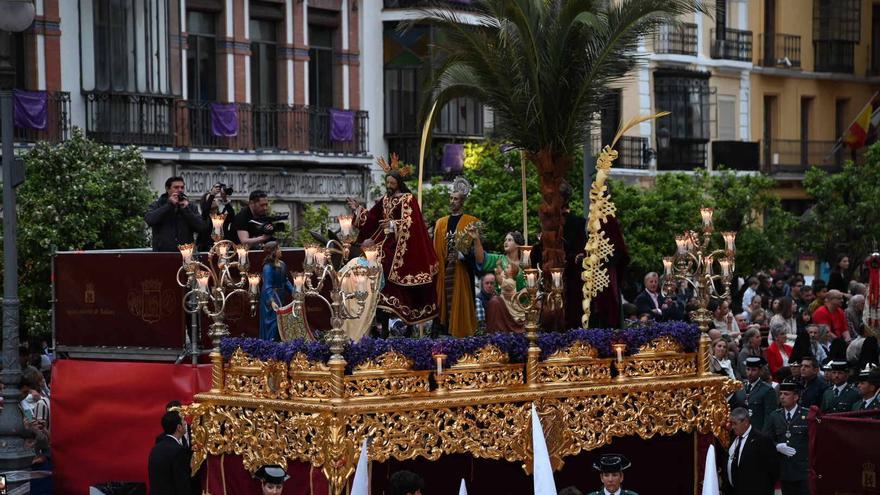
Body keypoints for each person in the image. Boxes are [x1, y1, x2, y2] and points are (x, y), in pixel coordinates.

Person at [347, 155, 438, 326]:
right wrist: (358, 209)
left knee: (384, 257)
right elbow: (372, 217)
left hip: (400, 244)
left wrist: (393, 224)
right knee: (366, 255)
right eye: (387, 183)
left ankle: (390, 298)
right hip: (382, 239)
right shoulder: (385, 199)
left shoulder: (407, 199)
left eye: (392, 184)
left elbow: (413, 223)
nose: (389, 186)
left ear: (399, 183)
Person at [433, 177, 480, 337]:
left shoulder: (471, 222)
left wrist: (463, 255)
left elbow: (477, 252)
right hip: (444, 270)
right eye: (451, 198)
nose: (452, 201)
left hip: (462, 271)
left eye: (456, 199)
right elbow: (435, 250)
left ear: (462, 202)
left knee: (461, 303)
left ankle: (462, 335)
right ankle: (443, 331)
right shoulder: (440, 223)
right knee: (444, 303)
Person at [722, 407, 779, 495]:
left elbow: (773, 469)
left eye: (735, 424)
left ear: (745, 422)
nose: (732, 427)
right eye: (731, 423)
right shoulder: (734, 438)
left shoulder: (762, 439)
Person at [767, 379, 809, 495]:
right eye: (780, 394)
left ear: (795, 397)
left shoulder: (807, 415)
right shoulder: (775, 416)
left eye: (786, 394)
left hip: (803, 470)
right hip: (785, 469)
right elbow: (767, 438)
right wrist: (776, 446)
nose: (782, 397)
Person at [144, 176, 208, 252]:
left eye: (182, 187)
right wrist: (169, 205)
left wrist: (186, 210)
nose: (180, 190)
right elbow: (150, 220)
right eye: (176, 187)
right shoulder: (157, 205)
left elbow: (200, 227)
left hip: (185, 255)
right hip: (162, 254)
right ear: (167, 189)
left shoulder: (190, 207)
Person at [148, 411, 191, 495]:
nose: (185, 423)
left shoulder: (155, 448)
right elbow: (182, 484)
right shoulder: (178, 451)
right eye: (183, 420)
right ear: (179, 427)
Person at [731, 356, 777, 432]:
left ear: (760, 371)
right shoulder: (741, 387)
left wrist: (763, 436)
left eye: (754, 370)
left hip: (757, 431)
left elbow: (769, 417)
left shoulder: (767, 390)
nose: (750, 373)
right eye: (748, 369)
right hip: (741, 431)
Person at [260, 242, 293, 341]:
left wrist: (294, 292)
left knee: (281, 320)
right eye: (278, 249)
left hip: (280, 295)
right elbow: (267, 286)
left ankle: (279, 343)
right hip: (271, 297)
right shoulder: (268, 267)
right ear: (273, 251)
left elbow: (285, 280)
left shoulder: (282, 264)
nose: (280, 250)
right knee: (273, 321)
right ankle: (270, 343)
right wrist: (272, 301)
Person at [197, 182, 236, 251]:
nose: (213, 200)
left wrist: (224, 199)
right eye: (211, 199)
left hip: (223, 248)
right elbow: (206, 211)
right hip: (208, 249)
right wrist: (212, 194)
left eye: (214, 199)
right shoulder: (204, 217)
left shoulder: (221, 217)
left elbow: (232, 215)